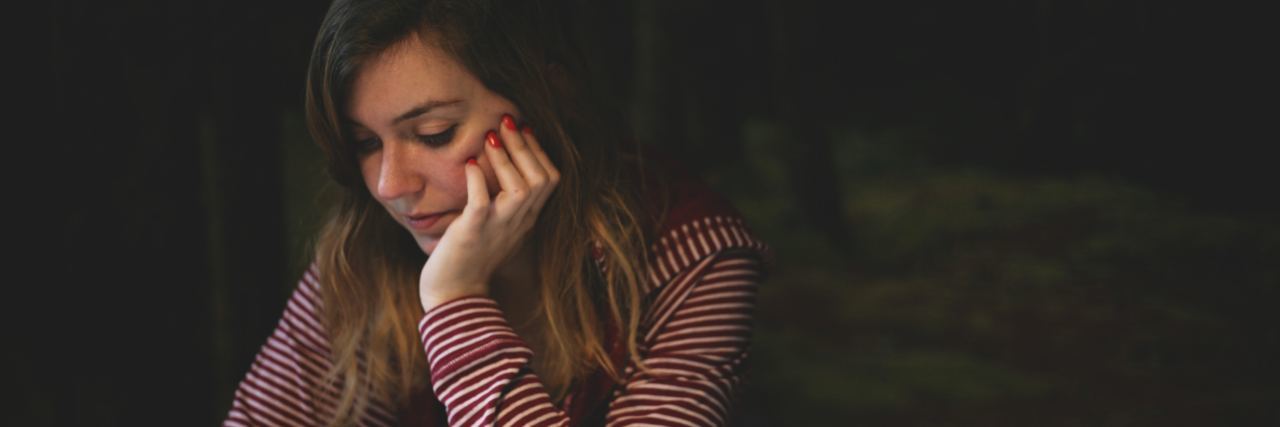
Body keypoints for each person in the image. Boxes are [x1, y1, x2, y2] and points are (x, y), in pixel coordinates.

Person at [223, 0, 772, 425]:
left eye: (433, 134)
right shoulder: (364, 248)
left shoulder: (696, 254)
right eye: (366, 143)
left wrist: (456, 302)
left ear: (545, 95)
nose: (391, 185)